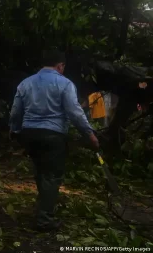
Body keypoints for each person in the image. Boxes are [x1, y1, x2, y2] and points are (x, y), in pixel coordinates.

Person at [8, 50, 99, 232]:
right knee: (51, 176)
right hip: (53, 135)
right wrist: (89, 134)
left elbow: (16, 112)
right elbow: (74, 112)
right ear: (60, 66)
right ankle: (44, 219)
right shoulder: (64, 84)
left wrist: (14, 130)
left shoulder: (25, 83)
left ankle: (44, 207)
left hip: (30, 134)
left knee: (41, 172)